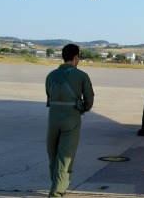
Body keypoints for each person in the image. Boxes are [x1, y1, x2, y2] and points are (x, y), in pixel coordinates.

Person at [45, 43, 95, 197]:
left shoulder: (51, 76)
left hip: (53, 120)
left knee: (53, 156)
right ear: (76, 58)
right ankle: (56, 192)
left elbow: (49, 94)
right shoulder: (81, 76)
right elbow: (89, 100)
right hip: (71, 120)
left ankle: (57, 184)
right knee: (65, 157)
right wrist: (82, 108)